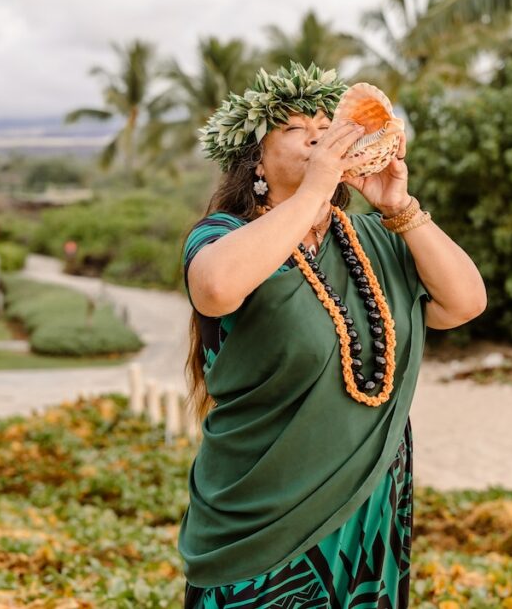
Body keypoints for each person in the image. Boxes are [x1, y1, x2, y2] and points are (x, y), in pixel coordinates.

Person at [177, 61, 486, 608]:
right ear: (255, 163)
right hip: (261, 508)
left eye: (326, 122)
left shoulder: (375, 237)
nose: (320, 133)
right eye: (295, 129)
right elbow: (216, 289)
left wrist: (400, 208)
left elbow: (464, 303)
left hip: (367, 507)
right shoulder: (224, 236)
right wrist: (313, 193)